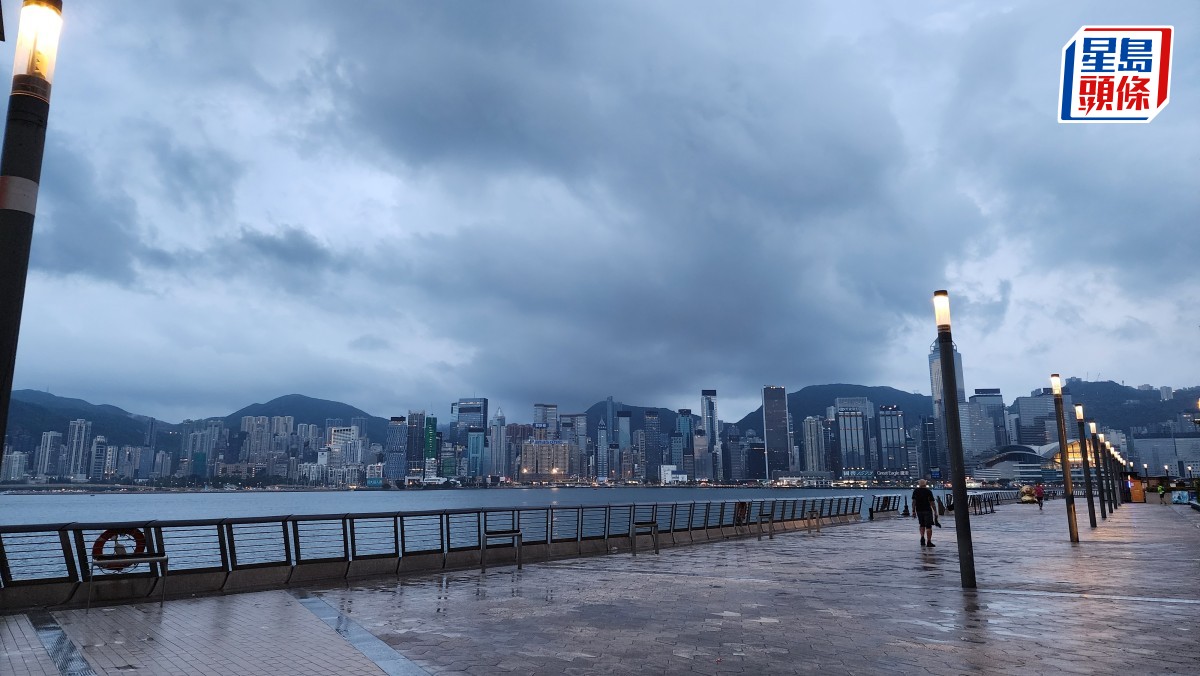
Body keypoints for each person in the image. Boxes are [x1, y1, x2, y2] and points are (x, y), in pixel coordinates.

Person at [912, 479, 937, 548]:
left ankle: (922, 537)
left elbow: (914, 502)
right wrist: (935, 511)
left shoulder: (915, 491)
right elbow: (932, 502)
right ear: (925, 484)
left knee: (922, 524)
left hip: (919, 510)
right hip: (927, 510)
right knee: (928, 526)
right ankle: (929, 541)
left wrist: (913, 511)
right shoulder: (928, 491)